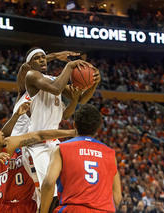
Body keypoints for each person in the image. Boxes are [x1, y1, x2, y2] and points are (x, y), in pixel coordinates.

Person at [23, 47, 101, 211]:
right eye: (37, 58)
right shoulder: (32, 76)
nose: (42, 60)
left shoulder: (54, 79)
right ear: (30, 64)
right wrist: (70, 66)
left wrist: (93, 83)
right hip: (36, 145)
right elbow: (56, 88)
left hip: (54, 144)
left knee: (61, 194)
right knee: (48, 197)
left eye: (43, 57)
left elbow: (78, 102)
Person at [40, 104, 122, 213]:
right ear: (97, 129)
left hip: (73, 208)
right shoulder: (110, 154)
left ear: (74, 125)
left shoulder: (62, 149)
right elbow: (117, 198)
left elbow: (49, 183)